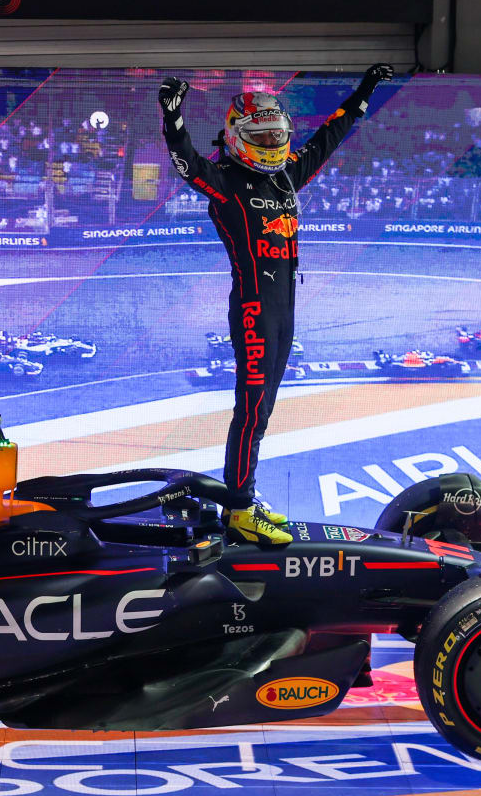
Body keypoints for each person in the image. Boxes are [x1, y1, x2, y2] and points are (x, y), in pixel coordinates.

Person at [159, 64, 394, 545]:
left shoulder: (286, 177)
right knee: (250, 411)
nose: (270, 142)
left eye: (275, 134)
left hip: (284, 309)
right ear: (237, 135)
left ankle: (244, 494)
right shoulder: (223, 180)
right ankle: (241, 509)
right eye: (260, 135)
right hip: (254, 307)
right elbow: (186, 162)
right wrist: (173, 118)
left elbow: (331, 137)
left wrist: (365, 90)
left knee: (261, 412)